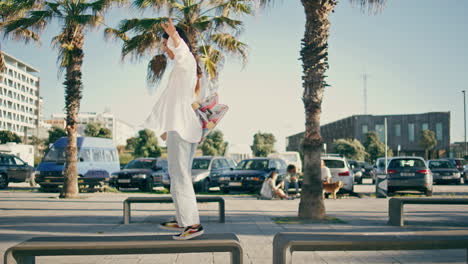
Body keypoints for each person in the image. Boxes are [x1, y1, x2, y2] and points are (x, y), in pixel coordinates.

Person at [147, 18, 204, 240]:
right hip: (178, 128)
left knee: (180, 176)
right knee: (178, 174)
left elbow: (181, 52)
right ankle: (183, 221)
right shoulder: (181, 69)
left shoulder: (185, 60)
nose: (164, 49)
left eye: (165, 44)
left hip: (182, 129)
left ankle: (192, 224)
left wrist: (174, 35)